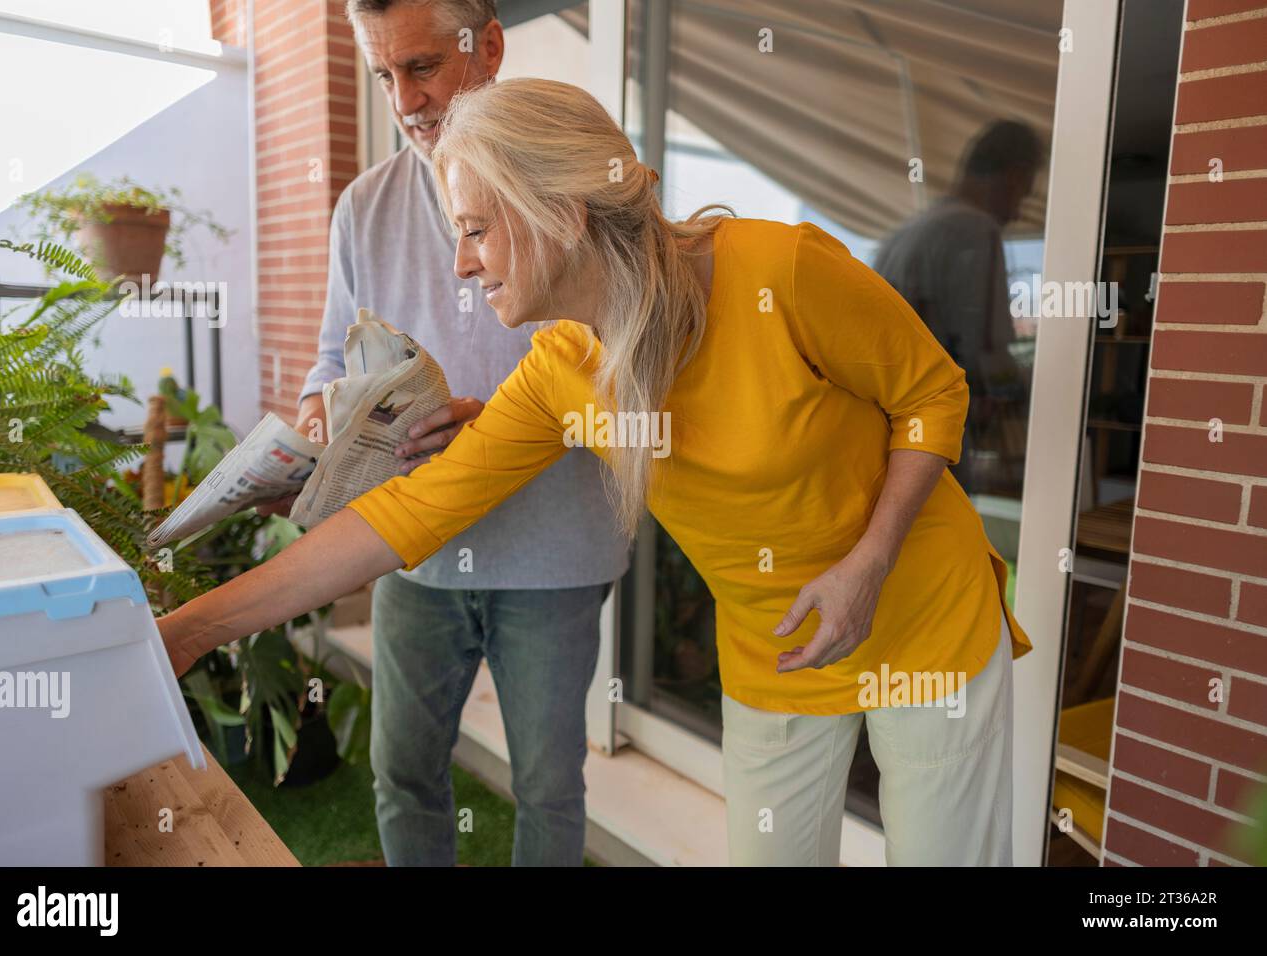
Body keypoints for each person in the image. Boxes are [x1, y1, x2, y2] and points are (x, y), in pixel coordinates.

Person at [161, 77, 1033, 866]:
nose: (461, 264)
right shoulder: (559, 370)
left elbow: (933, 396)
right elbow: (407, 518)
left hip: (922, 615)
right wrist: (194, 629)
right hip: (780, 644)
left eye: (473, 230)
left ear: (562, 215)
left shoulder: (781, 273)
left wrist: (868, 562)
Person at [258, 0, 629, 867]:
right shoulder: (363, 207)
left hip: (555, 552)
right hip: (412, 548)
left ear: (488, 46)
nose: (404, 100)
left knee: (547, 785)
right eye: (385, 75)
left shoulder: (575, 177)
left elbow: (632, 353)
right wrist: (317, 423)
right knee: (402, 771)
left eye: (422, 67)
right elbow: (329, 360)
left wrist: (503, 425)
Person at [873, 120, 1042, 493]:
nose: (1017, 213)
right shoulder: (975, 231)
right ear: (1012, 176)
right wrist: (1040, 389)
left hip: (881, 438)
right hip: (932, 443)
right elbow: (985, 358)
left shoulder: (906, 235)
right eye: (1023, 195)